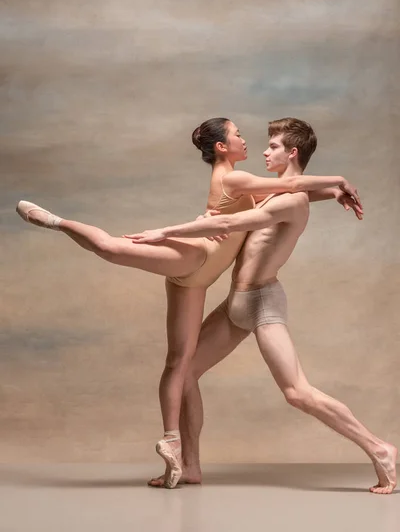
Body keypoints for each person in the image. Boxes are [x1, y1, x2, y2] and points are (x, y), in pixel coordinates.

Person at [16, 117, 361, 489]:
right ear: (221, 147)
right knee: (112, 248)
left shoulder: (247, 184)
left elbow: (287, 197)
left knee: (181, 365)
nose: (250, 142)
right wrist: (337, 180)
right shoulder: (233, 178)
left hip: (202, 280)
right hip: (197, 258)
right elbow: (290, 186)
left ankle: (183, 460)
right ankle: (56, 221)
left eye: (259, 140)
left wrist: (330, 193)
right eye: (238, 135)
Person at [127, 117, 397, 495]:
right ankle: (190, 466)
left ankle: (380, 449)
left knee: (296, 392)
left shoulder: (289, 200)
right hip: (236, 302)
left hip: (261, 302)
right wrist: (333, 190)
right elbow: (269, 197)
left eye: (273, 146)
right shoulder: (278, 194)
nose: (264, 150)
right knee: (185, 371)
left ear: (292, 152)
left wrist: (165, 232)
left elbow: (241, 218)